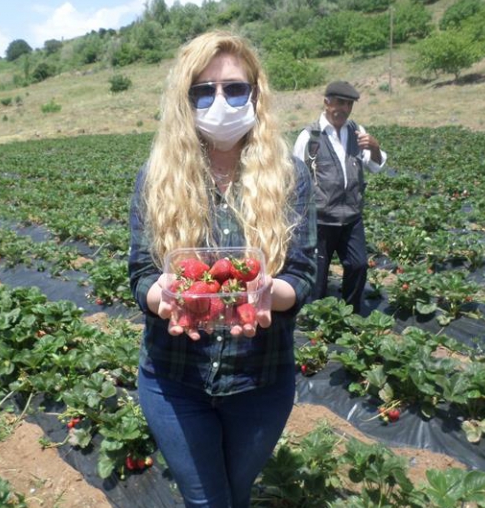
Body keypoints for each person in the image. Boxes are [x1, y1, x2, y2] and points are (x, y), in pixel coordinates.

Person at [128, 31, 316, 508]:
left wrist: (271, 291)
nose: (219, 101)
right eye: (202, 90)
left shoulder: (290, 178)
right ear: (183, 100)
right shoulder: (157, 178)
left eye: (234, 88)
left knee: (236, 493)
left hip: (259, 380)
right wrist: (163, 295)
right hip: (174, 378)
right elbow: (139, 274)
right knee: (207, 501)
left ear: (255, 93)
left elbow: (305, 274)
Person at [293, 80, 386, 315]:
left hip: (352, 217)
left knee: (358, 265)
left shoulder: (357, 132)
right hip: (321, 220)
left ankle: (351, 313)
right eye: (339, 102)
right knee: (318, 276)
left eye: (349, 104)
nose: (343, 108)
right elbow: (294, 178)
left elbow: (375, 166)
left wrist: (374, 147)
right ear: (326, 102)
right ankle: (315, 321)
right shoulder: (310, 137)